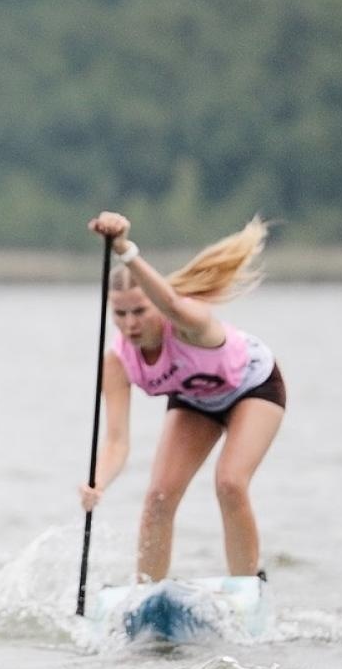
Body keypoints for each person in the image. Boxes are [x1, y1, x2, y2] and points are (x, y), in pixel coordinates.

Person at [79, 210, 286, 583]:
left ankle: (247, 586)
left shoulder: (189, 322)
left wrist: (124, 247)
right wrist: (97, 482)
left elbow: (172, 304)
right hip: (195, 398)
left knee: (229, 482)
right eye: (120, 314)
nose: (130, 324)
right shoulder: (117, 360)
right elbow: (115, 441)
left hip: (252, 387)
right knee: (158, 499)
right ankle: (146, 595)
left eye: (139, 311)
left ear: (155, 305)